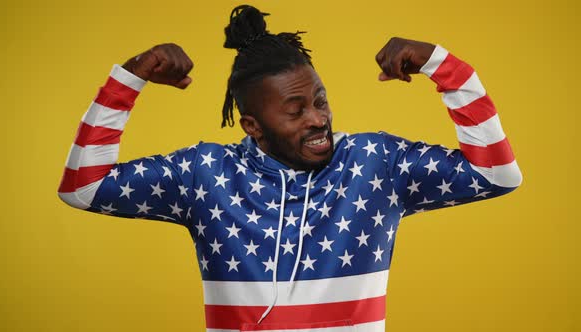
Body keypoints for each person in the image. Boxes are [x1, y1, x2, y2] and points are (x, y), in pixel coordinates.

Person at [57, 4, 522, 332]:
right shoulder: (205, 174)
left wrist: (445, 69)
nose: (318, 118)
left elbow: (496, 174)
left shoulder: (376, 164)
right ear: (253, 126)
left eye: (320, 101)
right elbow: (83, 188)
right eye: (295, 110)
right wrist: (129, 79)